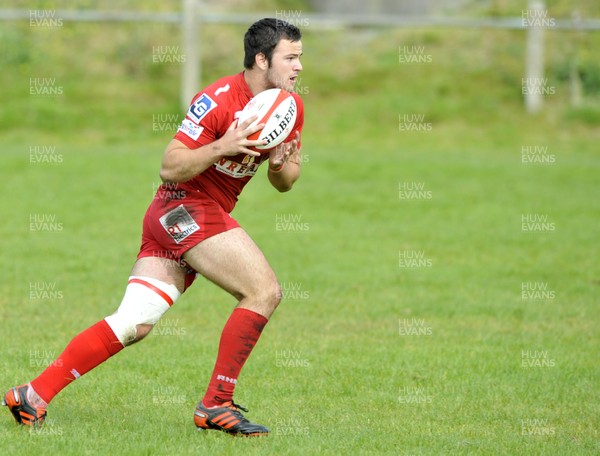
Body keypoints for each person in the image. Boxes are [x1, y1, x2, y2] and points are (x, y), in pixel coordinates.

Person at [3, 18, 304, 437]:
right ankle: (216, 404)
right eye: (290, 57)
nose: (298, 67)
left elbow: (285, 181)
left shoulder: (288, 106)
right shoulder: (217, 99)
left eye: (299, 58)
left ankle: (31, 395)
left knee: (135, 321)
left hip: (185, 218)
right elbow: (169, 167)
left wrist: (280, 164)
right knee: (263, 291)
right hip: (184, 207)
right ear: (261, 58)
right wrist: (224, 146)